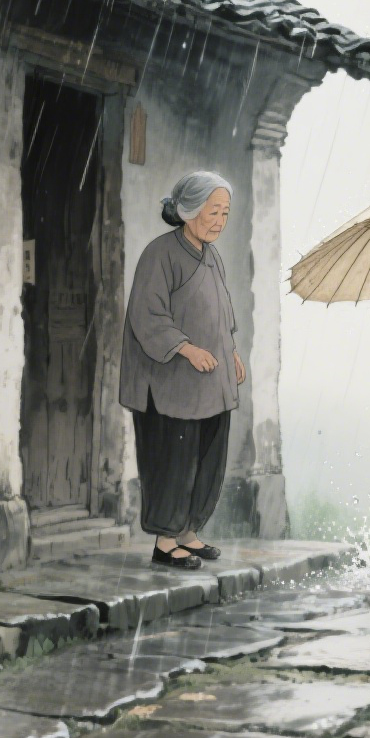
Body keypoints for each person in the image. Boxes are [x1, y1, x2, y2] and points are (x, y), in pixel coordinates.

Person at [119, 171, 245, 570]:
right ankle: (165, 541)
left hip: (210, 383)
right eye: (213, 211)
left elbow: (222, 312)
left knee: (207, 459)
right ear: (189, 210)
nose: (220, 221)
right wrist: (186, 349)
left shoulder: (212, 256)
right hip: (170, 385)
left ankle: (189, 532)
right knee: (173, 460)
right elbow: (147, 315)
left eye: (225, 213)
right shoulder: (160, 254)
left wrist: (232, 352)